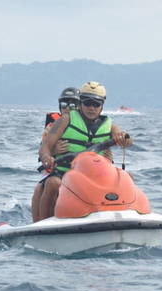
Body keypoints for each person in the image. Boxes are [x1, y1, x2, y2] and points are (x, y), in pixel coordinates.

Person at [36, 81, 132, 222]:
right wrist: (46, 158)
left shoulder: (111, 127)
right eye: (87, 103)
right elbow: (45, 146)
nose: (91, 108)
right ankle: (44, 227)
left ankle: (126, 219)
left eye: (96, 104)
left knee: (128, 177)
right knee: (52, 184)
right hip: (65, 173)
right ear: (80, 102)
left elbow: (127, 141)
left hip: (97, 177)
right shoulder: (65, 120)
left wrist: (123, 138)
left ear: (102, 105)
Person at [31, 87, 80, 222]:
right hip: (56, 169)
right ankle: (39, 225)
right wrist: (54, 152)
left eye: (72, 104)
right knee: (40, 189)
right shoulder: (53, 126)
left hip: (80, 170)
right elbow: (43, 150)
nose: (67, 108)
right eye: (64, 104)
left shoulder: (84, 125)